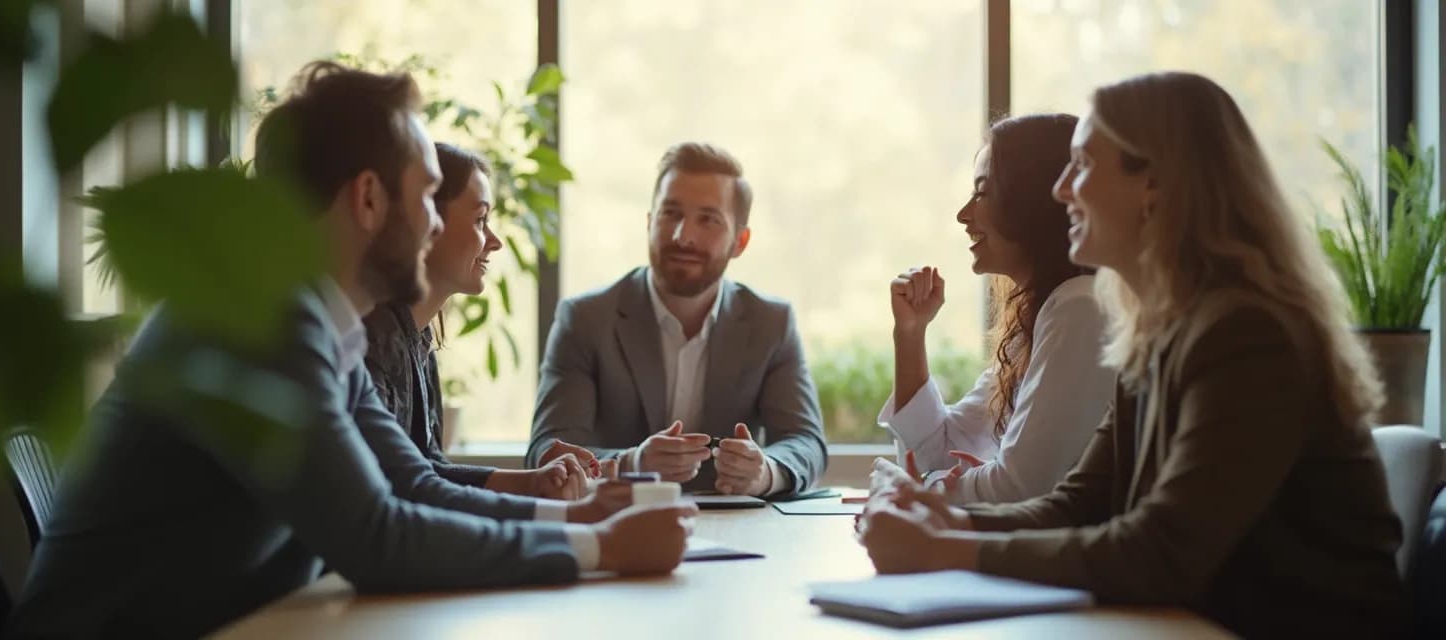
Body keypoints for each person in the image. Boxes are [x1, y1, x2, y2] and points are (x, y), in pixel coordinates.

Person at [6, 62, 694, 639]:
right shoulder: (255, 318)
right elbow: (376, 539)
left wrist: (576, 515)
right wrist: (601, 546)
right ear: (368, 199)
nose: (434, 225)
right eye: (428, 196)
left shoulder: (314, 320)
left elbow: (413, 483)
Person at [856, 71, 1405, 638]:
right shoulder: (1159, 332)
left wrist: (947, 549)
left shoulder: (1247, 334)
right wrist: (947, 522)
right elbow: (1076, 505)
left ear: (1155, 187)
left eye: (1083, 166)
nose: (1061, 189)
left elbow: (1161, 551)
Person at [528, 142, 827, 496]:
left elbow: (805, 442)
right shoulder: (585, 320)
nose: (683, 236)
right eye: (670, 213)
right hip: (615, 518)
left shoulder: (771, 323)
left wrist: (766, 473)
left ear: (740, 241)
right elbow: (547, 450)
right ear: (649, 222)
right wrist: (630, 464)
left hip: (737, 522)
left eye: (708, 219)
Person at [871, 114, 1113, 505]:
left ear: (1032, 199)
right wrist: (910, 334)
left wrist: (924, 489)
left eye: (982, 193)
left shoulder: (1079, 308)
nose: (963, 214)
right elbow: (935, 454)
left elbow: (1019, 489)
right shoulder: (1038, 323)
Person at [364, 143, 598, 500]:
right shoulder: (371, 340)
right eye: (480, 220)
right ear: (426, 222)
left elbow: (427, 468)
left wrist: (535, 482)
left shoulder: (417, 338)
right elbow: (397, 488)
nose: (495, 242)